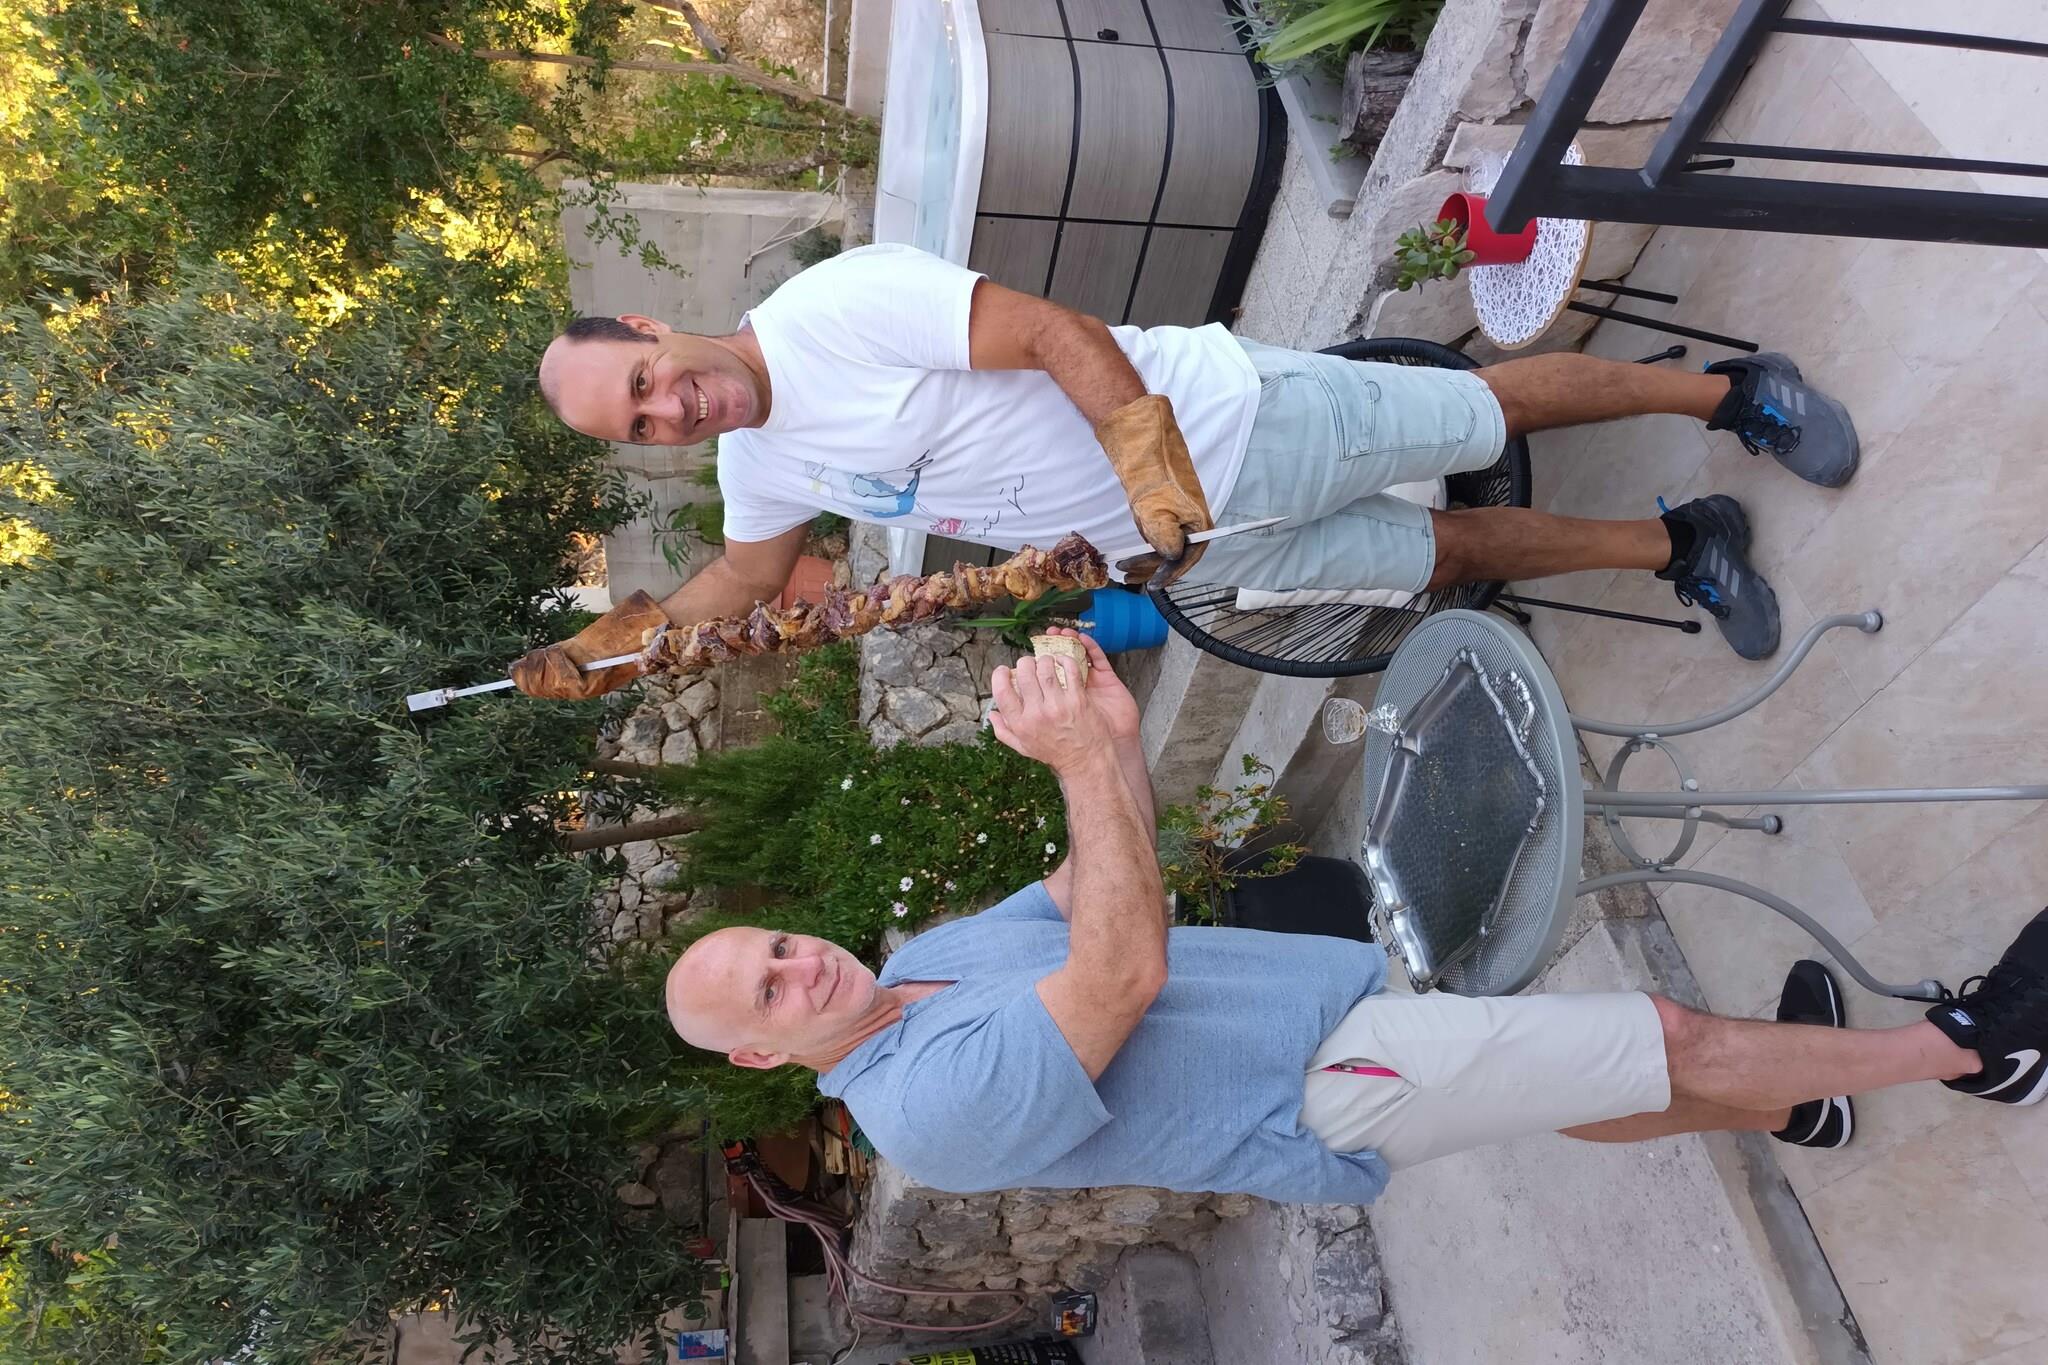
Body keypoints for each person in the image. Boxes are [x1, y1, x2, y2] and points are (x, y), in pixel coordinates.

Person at [661, 631, 2048, 1201]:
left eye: (777, 944)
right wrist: (1079, 763)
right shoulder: (925, 1112)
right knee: (1665, 1032)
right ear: (764, 1056)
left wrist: (1115, 744)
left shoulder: (922, 967)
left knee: (1577, 1087)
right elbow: (1120, 973)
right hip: (1320, 1086)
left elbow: (1092, 891)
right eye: (769, 992)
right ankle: (1976, 1045)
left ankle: (1794, 1103)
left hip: (1328, 1008)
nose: (801, 965)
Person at [514, 244, 1861, 699]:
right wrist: (616, 643)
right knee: (1438, 556)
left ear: (647, 326)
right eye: (642, 429)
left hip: (1228, 428)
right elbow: (746, 577)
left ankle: (1733, 392)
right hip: (1193, 548)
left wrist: (1153, 471)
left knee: (1481, 411)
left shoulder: (829, 310)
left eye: (647, 381)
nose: (671, 410)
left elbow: (1055, 333)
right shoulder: (758, 456)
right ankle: (1680, 543)